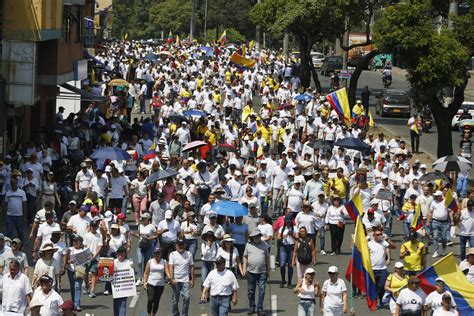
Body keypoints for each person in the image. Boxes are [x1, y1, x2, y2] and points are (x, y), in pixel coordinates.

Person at [243, 228, 270, 316]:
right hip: (251, 271)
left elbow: (267, 257)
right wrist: (244, 268)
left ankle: (260, 308)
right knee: (251, 291)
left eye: (259, 236)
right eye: (256, 236)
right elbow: (245, 257)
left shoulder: (264, 244)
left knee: (262, 290)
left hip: (262, 271)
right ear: (253, 236)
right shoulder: (248, 245)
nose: (257, 237)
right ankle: (252, 307)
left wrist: (268, 270)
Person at [168, 239, 195, 316]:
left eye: (182, 245)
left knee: (187, 298)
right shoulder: (172, 254)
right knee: (175, 300)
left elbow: (192, 267)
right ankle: (175, 314)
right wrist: (171, 278)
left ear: (184, 245)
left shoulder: (189, 254)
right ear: (176, 246)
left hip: (185, 279)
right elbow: (171, 267)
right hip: (175, 280)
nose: (181, 246)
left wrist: (192, 280)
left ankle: (184, 314)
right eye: (179, 245)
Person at [368, 227, 392, 308]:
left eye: (381, 234)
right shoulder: (369, 244)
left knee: (381, 287)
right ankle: (374, 302)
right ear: (374, 235)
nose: (379, 236)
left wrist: (387, 240)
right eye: (377, 234)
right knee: (373, 287)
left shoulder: (384, 243)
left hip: (382, 269)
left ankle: (381, 300)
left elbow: (393, 247)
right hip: (372, 269)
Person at [134, 212, 158, 285]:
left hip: (149, 244)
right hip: (141, 244)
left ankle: (145, 277)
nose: (143, 220)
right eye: (142, 219)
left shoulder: (152, 226)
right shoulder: (140, 226)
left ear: (148, 219)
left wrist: (150, 238)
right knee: (139, 262)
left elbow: (156, 235)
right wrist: (133, 234)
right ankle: (139, 278)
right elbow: (139, 235)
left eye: (145, 219)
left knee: (147, 262)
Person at [144, 247, 168, 316]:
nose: (157, 254)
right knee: (150, 299)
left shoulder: (164, 261)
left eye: (158, 253)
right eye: (155, 253)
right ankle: (149, 314)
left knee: (156, 301)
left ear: (160, 253)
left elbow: (166, 271)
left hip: (160, 285)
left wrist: (170, 278)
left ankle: (153, 314)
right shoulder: (150, 261)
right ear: (154, 254)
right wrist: (145, 282)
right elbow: (146, 273)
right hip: (151, 284)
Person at [83, 220, 103, 297]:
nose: (94, 228)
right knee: (85, 273)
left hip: (95, 258)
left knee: (94, 273)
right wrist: (88, 254)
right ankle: (86, 285)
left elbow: (100, 247)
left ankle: (92, 290)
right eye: (93, 226)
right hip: (86, 256)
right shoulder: (86, 235)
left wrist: (94, 256)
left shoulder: (99, 235)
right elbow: (84, 246)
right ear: (90, 227)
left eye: (96, 226)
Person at [65, 235, 86, 312]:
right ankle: (73, 302)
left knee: (77, 287)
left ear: (81, 242)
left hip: (80, 270)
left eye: (77, 241)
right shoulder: (70, 249)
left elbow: (89, 259)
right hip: (71, 270)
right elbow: (66, 260)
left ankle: (77, 304)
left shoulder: (84, 250)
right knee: (72, 287)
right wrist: (69, 261)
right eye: (74, 241)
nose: (75, 242)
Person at [113, 246, 133, 316]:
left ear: (125, 254)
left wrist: (133, 267)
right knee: (116, 305)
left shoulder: (128, 262)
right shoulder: (113, 262)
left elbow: (131, 274)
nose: (120, 255)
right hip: (116, 287)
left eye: (122, 254)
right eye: (119, 254)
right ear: (117, 254)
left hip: (124, 287)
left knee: (123, 304)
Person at [278, 213, 297, 288]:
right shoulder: (282, 228)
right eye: (287, 220)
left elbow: (297, 239)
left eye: (289, 221)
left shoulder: (295, 228)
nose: (288, 222)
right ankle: (283, 280)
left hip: (292, 247)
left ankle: (289, 282)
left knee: (290, 265)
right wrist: (283, 236)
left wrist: (292, 234)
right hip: (283, 247)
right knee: (282, 264)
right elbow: (278, 238)